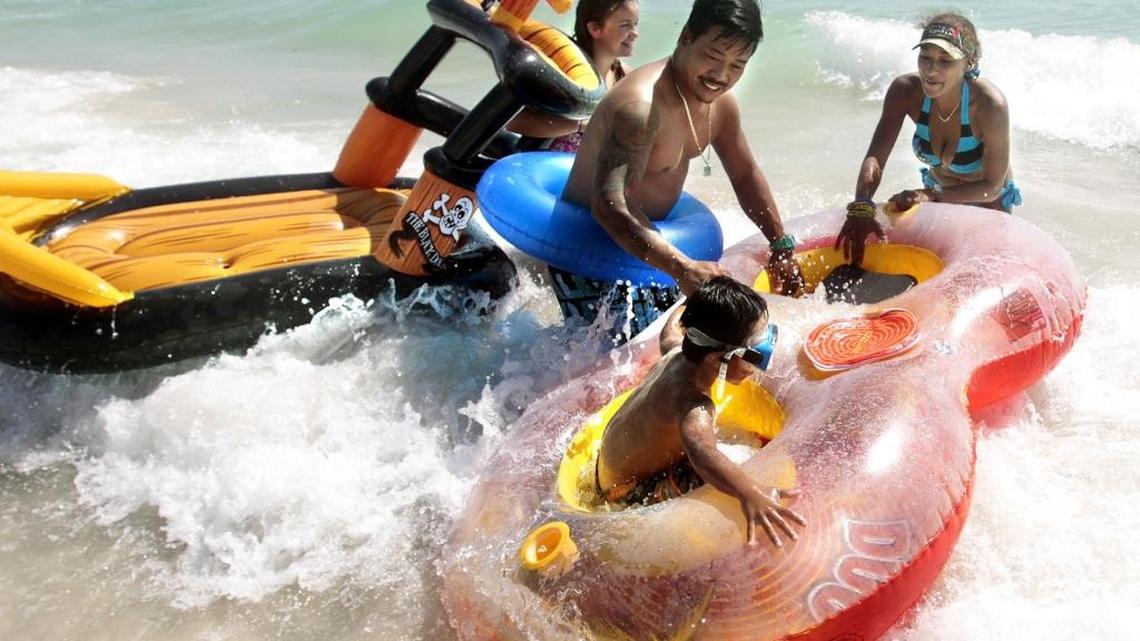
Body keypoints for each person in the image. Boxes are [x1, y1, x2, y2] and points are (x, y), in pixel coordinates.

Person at [555, 0, 805, 342]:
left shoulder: (720, 106)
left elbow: (745, 174)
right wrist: (682, 267)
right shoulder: (641, 109)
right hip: (591, 251)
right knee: (628, 357)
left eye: (737, 65)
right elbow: (609, 205)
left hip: (653, 246)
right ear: (687, 36)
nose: (722, 75)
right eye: (713, 56)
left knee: (700, 341)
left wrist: (781, 245)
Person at [595, 276, 806, 546]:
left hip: (610, 467)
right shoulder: (693, 404)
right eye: (755, 355)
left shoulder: (675, 351)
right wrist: (751, 493)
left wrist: (693, 299)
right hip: (628, 491)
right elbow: (702, 455)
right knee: (742, 461)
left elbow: (670, 329)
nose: (758, 366)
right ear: (717, 359)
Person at [835, 13, 1021, 266]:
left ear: (968, 63)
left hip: (988, 203)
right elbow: (876, 157)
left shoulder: (989, 104)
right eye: (925, 56)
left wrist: (931, 195)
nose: (931, 70)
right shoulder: (905, 91)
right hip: (936, 197)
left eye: (945, 60)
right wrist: (862, 203)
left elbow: (992, 187)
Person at [507, 0, 640, 151]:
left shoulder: (624, 77)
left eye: (636, 24)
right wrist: (579, 125)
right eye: (625, 25)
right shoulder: (562, 71)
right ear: (595, 28)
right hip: (549, 162)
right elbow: (513, 121)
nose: (635, 33)